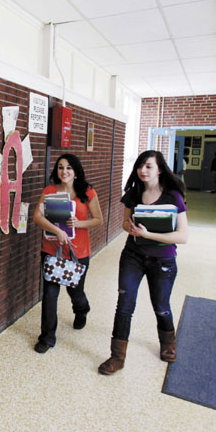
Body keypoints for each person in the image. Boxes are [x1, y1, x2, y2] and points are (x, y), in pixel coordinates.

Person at [99, 150, 189, 375]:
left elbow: (182, 236)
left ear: (159, 169)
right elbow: (124, 224)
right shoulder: (133, 193)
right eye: (140, 166)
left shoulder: (173, 196)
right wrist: (131, 229)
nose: (143, 170)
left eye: (148, 166)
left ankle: (168, 344)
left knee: (161, 306)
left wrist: (149, 235)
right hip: (133, 256)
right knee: (124, 305)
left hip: (163, 259)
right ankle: (117, 357)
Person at [32, 154, 103, 353]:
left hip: (78, 252)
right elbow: (37, 216)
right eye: (61, 167)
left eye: (69, 168)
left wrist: (79, 224)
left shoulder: (87, 192)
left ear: (76, 172)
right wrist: (57, 230)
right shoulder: (50, 191)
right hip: (52, 251)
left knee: (75, 291)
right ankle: (47, 337)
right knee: (50, 294)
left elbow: (98, 219)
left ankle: (82, 309)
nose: (64, 171)